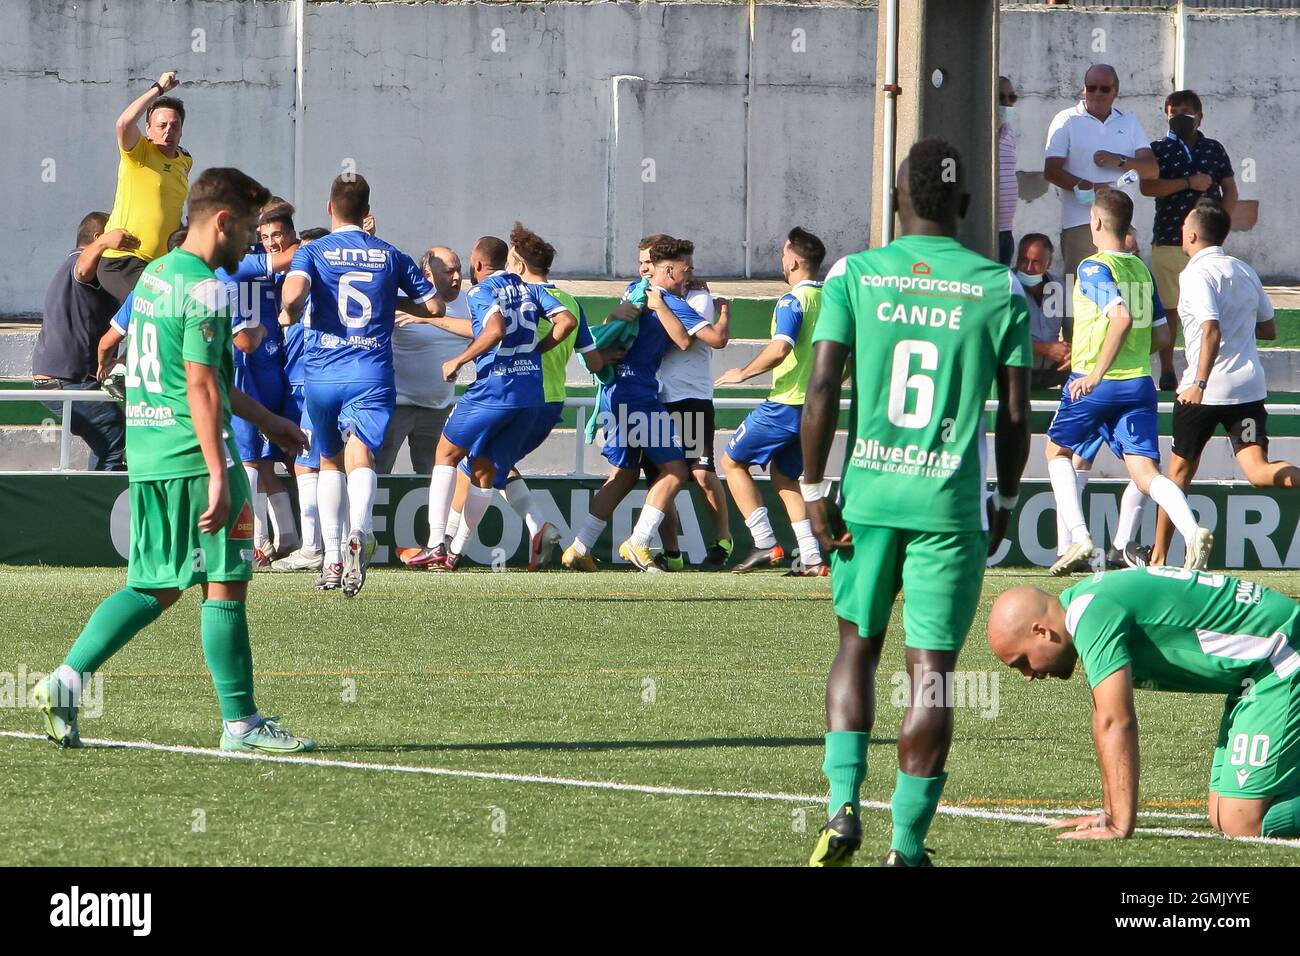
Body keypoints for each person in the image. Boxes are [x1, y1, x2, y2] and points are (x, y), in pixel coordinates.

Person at [800, 138, 1032, 866]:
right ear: (965, 207)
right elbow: (1018, 416)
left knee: (855, 648)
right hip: (949, 508)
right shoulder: (1000, 288)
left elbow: (821, 389)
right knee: (930, 672)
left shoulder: (856, 274)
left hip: (866, 495)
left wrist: (813, 489)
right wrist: (1006, 495)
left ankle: (842, 808)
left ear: (898, 200)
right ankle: (906, 845)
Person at [31, 167, 314, 754]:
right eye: (249, 231)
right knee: (226, 583)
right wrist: (219, 473)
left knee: (153, 586)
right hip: (196, 458)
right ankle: (241, 724)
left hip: (153, 455)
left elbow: (196, 372)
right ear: (225, 221)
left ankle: (65, 679)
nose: (252, 246)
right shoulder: (208, 288)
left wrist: (269, 422)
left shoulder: (157, 275)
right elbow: (202, 386)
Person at [988, 568, 1300, 841]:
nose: (1028, 675)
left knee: (1242, 820)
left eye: (1022, 662)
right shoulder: (1086, 602)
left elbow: (1116, 721)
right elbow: (1103, 717)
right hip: (1254, 674)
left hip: (1281, 656)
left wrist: (1120, 824)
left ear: (1041, 631)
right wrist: (1109, 813)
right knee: (1220, 814)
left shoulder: (1089, 613)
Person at [278, 174, 449, 596]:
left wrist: (295, 305)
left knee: (329, 462)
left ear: (329, 208)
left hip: (322, 373)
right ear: (367, 210)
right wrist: (392, 297)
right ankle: (359, 529)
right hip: (370, 370)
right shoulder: (389, 254)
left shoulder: (313, 250)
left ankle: (333, 557)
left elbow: (292, 296)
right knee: (362, 454)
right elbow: (435, 305)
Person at [1042, 190, 1212, 576]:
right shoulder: (1142, 270)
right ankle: (1192, 529)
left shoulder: (1092, 267)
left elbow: (1119, 317)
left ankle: (1079, 536)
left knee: (1056, 451)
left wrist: (1095, 374)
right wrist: (1134, 355)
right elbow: (1163, 338)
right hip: (1139, 384)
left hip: (1096, 382)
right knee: (1146, 473)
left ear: (1097, 223)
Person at [1150, 200, 1297, 565]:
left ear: (1193, 234)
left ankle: (1157, 558)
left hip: (1205, 389)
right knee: (1259, 472)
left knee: (1177, 475)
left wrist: (1199, 381)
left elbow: (1211, 329)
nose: (1182, 230)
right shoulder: (1244, 270)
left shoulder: (1195, 274)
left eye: (1185, 225)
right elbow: (1269, 328)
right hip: (1247, 388)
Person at [414, 236, 574, 570]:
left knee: (446, 454)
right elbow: (566, 322)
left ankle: (434, 544)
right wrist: (538, 350)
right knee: (484, 471)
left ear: (479, 264)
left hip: (495, 390)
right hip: (531, 394)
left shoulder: (481, 291)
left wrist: (458, 361)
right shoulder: (531, 289)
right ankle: (456, 551)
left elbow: (494, 329)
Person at [560, 238, 706, 572]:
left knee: (624, 474)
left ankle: (579, 548)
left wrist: (612, 316)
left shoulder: (632, 290)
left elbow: (615, 328)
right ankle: (638, 543)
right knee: (676, 471)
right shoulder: (666, 299)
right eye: (687, 269)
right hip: (637, 395)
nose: (691, 275)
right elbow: (689, 340)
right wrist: (712, 305)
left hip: (613, 391)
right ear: (669, 269)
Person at [715, 226, 828, 576]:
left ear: (794, 260)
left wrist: (743, 373)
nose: (781, 260)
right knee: (785, 477)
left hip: (785, 405)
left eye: (783, 254)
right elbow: (847, 359)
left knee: (732, 462)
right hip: (815, 408)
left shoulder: (794, 300)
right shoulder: (832, 299)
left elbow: (781, 347)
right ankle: (811, 558)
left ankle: (764, 541)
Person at [636, 234, 733, 572]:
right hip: (658, 398)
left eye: (650, 265)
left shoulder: (697, 299)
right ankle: (672, 553)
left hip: (690, 397)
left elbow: (687, 340)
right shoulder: (647, 295)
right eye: (643, 266)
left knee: (701, 473)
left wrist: (723, 309)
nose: (646, 272)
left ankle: (723, 540)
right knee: (661, 478)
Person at [1140, 90, 1239, 392]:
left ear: (1200, 115)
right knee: (1170, 308)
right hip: (1170, 239)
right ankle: (1168, 370)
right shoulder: (1157, 148)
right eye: (1173, 111)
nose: (1179, 116)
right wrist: (1187, 183)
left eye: (1186, 111)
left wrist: (1222, 224)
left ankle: (1202, 370)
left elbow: (1230, 190)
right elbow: (1148, 187)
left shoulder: (1214, 148)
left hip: (1207, 245)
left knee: (1206, 309)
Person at [223, 199, 303, 568]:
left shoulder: (243, 260)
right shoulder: (248, 261)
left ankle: (255, 544)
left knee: (256, 459)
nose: (269, 241)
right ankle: (284, 538)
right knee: (263, 461)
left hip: (263, 368)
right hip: (258, 365)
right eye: (263, 234)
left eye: (276, 235)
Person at [32, 212, 134, 470]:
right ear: (98, 238)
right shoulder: (80, 263)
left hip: (64, 379)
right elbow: (83, 270)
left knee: (110, 439)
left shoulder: (72, 266)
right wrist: (103, 244)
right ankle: (100, 507)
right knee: (114, 439)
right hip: (66, 381)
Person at [1043, 64, 1153, 279]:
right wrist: (1091, 188)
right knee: (1078, 293)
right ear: (1084, 89)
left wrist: (1119, 160)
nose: (1097, 94)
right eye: (1091, 87)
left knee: (1125, 292)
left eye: (1104, 88)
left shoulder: (1129, 122)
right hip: (1080, 224)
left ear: (1116, 90)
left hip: (1122, 224)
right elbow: (1051, 170)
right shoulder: (1066, 120)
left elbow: (1151, 169)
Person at [98, 72, 192, 305]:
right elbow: (123, 123)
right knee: (159, 307)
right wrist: (158, 89)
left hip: (160, 265)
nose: (168, 130)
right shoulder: (138, 153)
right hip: (124, 260)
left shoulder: (185, 161)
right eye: (161, 125)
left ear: (181, 131)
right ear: (148, 130)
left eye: (174, 125)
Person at [378, 246, 469, 475]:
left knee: (435, 477)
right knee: (377, 471)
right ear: (427, 274)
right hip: (396, 406)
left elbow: (485, 332)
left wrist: (430, 320)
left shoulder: (470, 303)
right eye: (449, 271)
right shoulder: (402, 302)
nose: (457, 276)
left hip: (438, 408)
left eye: (459, 270)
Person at [997, 75, 1020, 267]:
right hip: (985, 229)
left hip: (1005, 232)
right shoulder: (977, 134)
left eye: (1011, 97)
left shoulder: (1009, 130)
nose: (1006, 102)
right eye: (1000, 97)